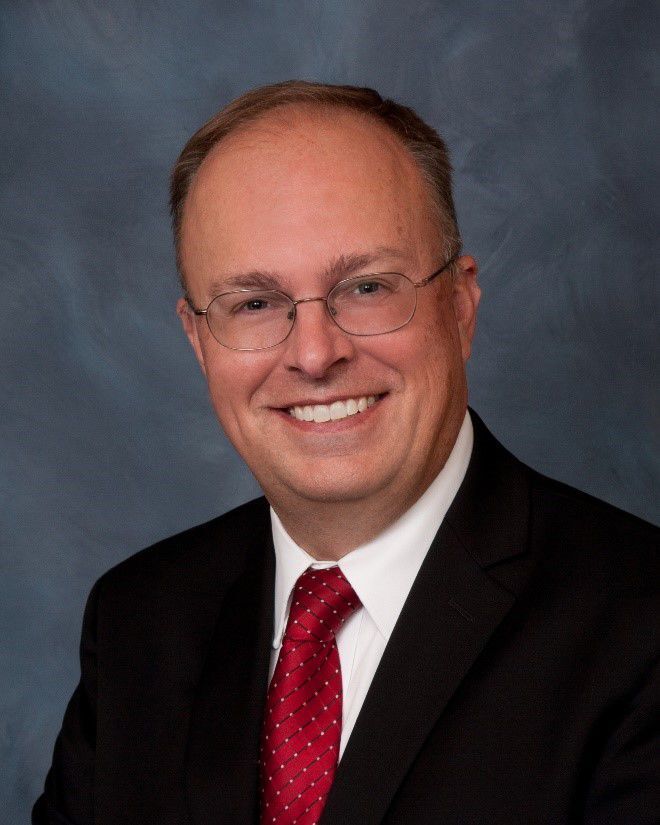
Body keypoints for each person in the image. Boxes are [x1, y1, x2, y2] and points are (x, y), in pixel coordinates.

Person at [33, 81, 658, 825]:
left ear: (461, 307)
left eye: (365, 287)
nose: (314, 353)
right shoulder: (138, 623)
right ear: (198, 340)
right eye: (254, 303)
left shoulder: (637, 627)